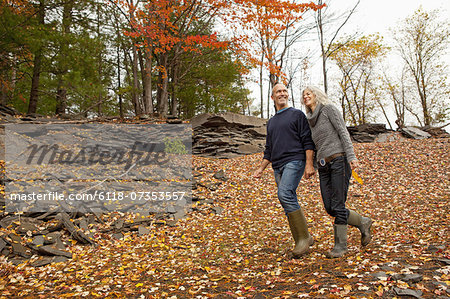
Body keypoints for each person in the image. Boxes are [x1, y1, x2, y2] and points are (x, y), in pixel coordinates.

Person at [302, 86, 373, 258]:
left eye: (308, 94)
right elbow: (312, 145)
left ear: (317, 95)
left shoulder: (328, 110)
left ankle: (340, 246)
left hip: (339, 160)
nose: (305, 97)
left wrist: (352, 157)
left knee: (338, 205)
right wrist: (309, 165)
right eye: (303, 95)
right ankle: (363, 222)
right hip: (323, 166)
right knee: (330, 207)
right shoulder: (309, 120)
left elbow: (343, 132)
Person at [253, 83, 316, 258]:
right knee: (287, 199)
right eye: (278, 92)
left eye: (284, 91)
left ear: (287, 95)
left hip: (294, 161)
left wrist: (309, 164)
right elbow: (269, 149)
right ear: (272, 97)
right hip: (277, 166)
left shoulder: (297, 115)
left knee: (285, 194)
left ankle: (303, 238)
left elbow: (307, 140)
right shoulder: (272, 122)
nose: (282, 93)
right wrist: (260, 169)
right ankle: (305, 238)